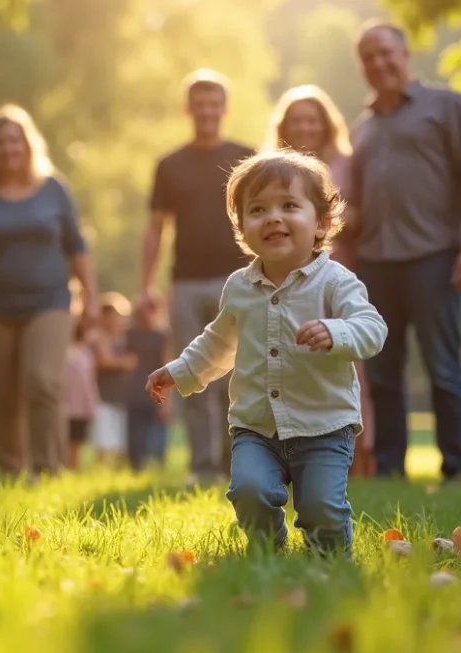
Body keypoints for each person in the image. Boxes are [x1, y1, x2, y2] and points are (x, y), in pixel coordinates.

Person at [145, 151, 387, 554]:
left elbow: (373, 328)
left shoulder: (335, 282)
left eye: (289, 205)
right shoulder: (240, 286)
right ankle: (268, 551)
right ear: (243, 230)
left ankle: (328, 559)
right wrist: (179, 370)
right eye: (258, 210)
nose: (273, 217)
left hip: (323, 424)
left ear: (321, 223)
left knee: (321, 507)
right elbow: (218, 343)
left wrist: (336, 330)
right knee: (249, 491)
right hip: (256, 425)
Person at [350, 21, 461, 482]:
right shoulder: (363, 128)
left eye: (385, 52)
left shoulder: (448, 106)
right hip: (375, 261)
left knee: (443, 368)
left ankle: (457, 469)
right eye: (368, 57)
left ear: (405, 53)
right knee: (383, 374)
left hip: (435, 256)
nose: (379, 63)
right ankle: (391, 468)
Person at [0, 103, 98, 478]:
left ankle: (47, 469)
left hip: (49, 301)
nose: (8, 149)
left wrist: (91, 299)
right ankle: (11, 470)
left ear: (27, 145)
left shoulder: (52, 189)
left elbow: (76, 247)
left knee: (43, 381)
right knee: (2, 394)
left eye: (14, 141)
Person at [141, 69, 256, 484]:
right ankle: (202, 467)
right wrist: (146, 286)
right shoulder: (169, 165)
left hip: (240, 280)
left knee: (239, 376)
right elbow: (155, 228)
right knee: (193, 373)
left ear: (225, 108)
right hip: (186, 283)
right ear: (188, 109)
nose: (207, 111)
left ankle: (237, 462)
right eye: (199, 103)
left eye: (214, 102)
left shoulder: (247, 156)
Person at [264, 84, 376, 478]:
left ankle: (361, 453)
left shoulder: (347, 163)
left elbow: (363, 212)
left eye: (312, 120)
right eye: (296, 120)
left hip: (337, 265)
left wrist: (330, 223)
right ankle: (288, 451)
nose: (305, 127)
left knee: (348, 359)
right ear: (284, 126)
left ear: (325, 125)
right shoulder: (271, 169)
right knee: (293, 351)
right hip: (286, 272)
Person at [126, 291, 172, 471]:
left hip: (156, 391)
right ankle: (135, 467)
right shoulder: (128, 334)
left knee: (156, 435)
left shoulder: (162, 336)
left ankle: (156, 467)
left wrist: (167, 403)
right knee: (134, 437)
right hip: (133, 391)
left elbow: (168, 366)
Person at [92, 292, 135, 468]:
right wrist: (124, 362)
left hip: (122, 397)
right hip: (103, 396)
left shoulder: (125, 338)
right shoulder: (98, 337)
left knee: (122, 443)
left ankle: (120, 473)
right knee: (103, 441)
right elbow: (104, 360)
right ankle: (100, 472)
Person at [61, 321, 100, 470]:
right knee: (68, 439)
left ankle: (73, 467)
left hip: (81, 405)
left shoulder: (86, 354)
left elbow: (90, 380)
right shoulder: (68, 352)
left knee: (77, 440)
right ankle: (67, 466)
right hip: (69, 404)